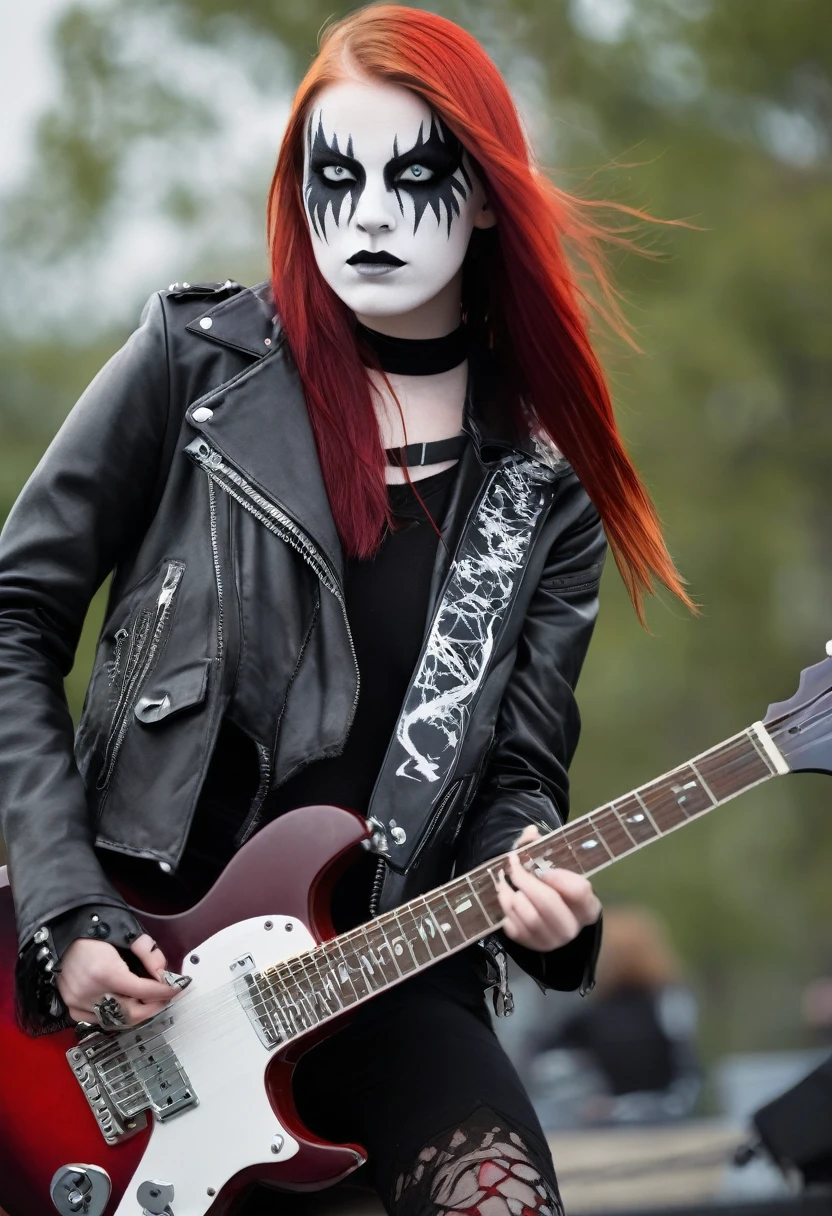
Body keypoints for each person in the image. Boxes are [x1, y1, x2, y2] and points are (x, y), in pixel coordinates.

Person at [0, 6, 692, 1214]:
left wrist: (532, 889)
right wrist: (64, 910)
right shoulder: (196, 365)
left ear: (486, 197)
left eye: (415, 176)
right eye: (336, 175)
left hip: (375, 972)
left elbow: (519, 775)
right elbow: (14, 616)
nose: (367, 213)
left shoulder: (541, 481)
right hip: (124, 958)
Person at [535, 906, 701, 1125]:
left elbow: (686, 1070)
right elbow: (687, 1070)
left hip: (643, 1121)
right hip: (651, 1119)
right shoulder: (669, 1002)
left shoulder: (666, 1004)